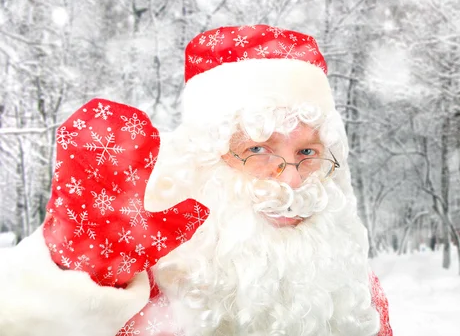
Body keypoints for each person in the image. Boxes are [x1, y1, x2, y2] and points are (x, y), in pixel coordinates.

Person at [0, 25, 393, 335]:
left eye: (308, 153)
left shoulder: (356, 292)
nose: (291, 180)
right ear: (205, 162)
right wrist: (73, 278)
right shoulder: (141, 290)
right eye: (257, 150)